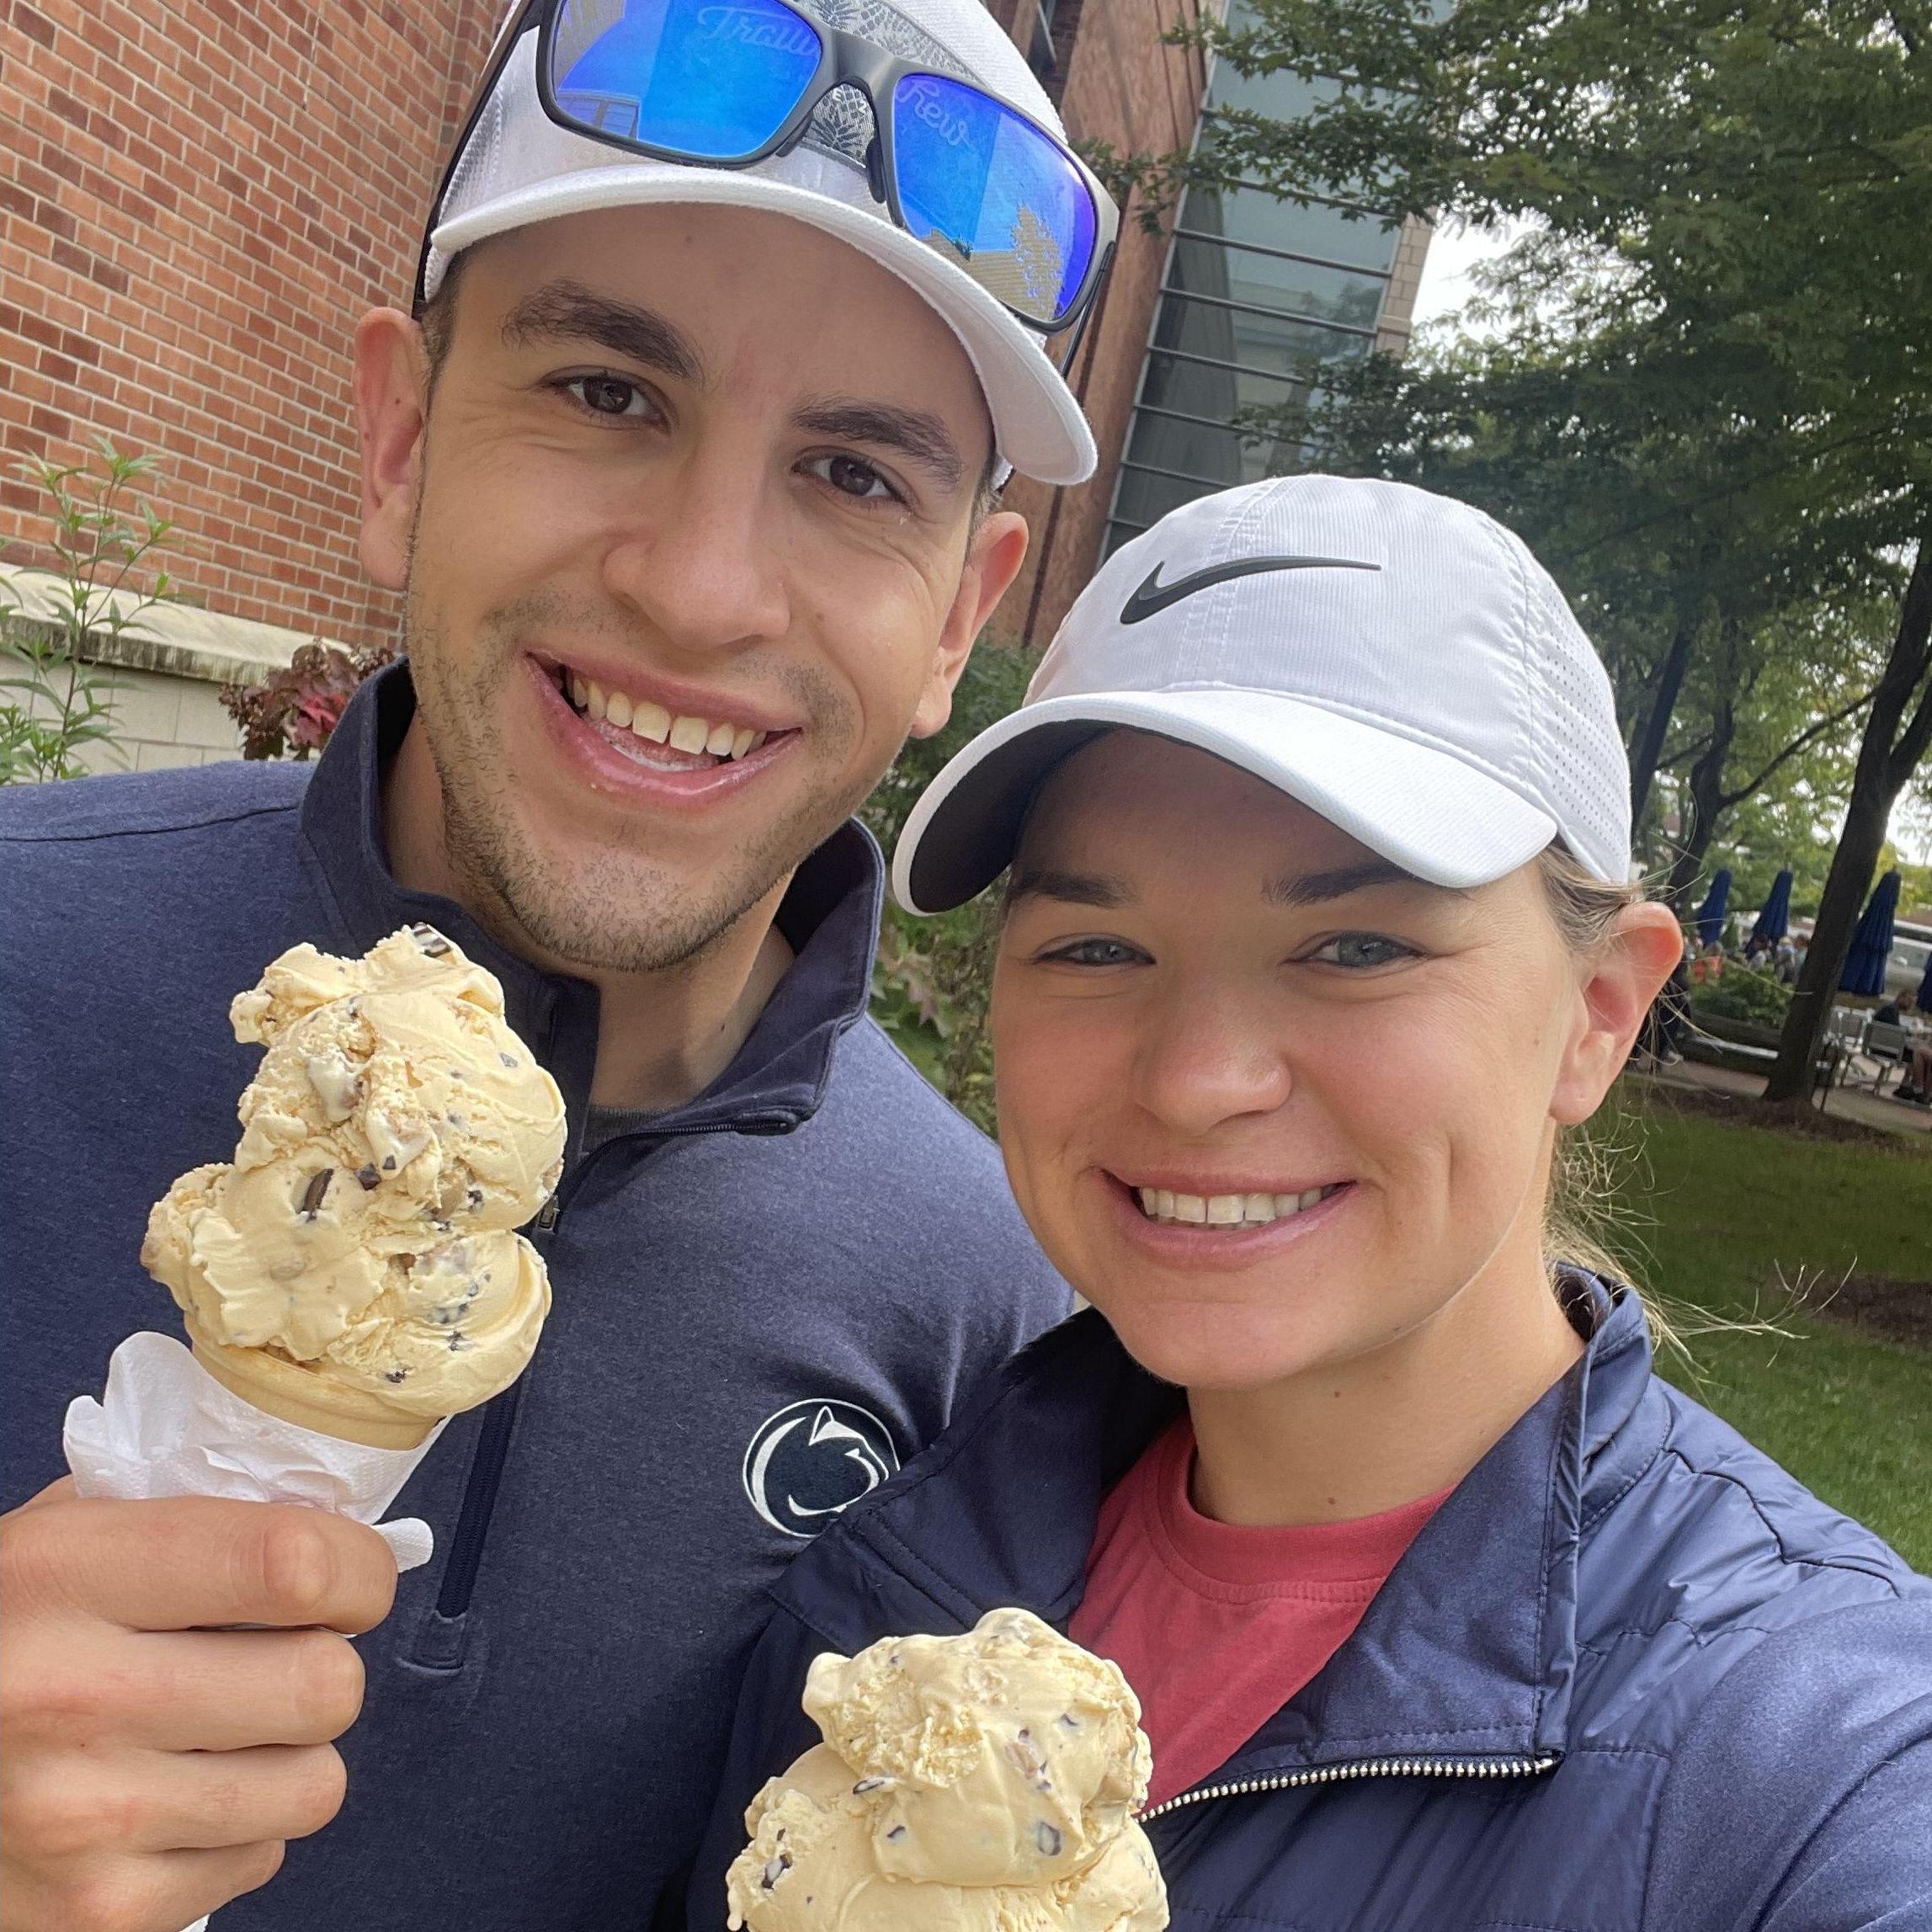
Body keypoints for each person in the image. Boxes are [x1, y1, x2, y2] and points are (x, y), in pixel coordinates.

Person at [0, 2, 1121, 1925]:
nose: (697, 586)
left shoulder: (988, 1318)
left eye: (856, 476)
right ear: (399, 439)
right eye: (608, 391)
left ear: (960, 617)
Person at [692, 478, 1932, 1929]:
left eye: (1352, 944)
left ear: (1599, 1011)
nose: (1201, 1078)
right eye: (1097, 947)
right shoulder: (889, 1571)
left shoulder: (1815, 1759)